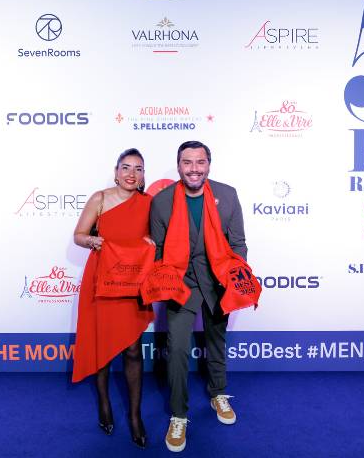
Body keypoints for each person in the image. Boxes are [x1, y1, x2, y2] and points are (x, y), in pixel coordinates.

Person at [149, 141, 249, 453]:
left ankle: (218, 393)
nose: (194, 169)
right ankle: (178, 415)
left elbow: (238, 243)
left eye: (200, 162)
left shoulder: (227, 195)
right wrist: (168, 281)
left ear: (208, 164)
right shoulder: (162, 201)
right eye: (187, 162)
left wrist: (234, 279)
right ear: (178, 165)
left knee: (216, 341)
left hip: (217, 280)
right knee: (178, 347)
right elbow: (159, 251)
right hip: (180, 283)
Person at [72, 148, 154, 449]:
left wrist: (152, 242)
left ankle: (135, 416)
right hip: (102, 280)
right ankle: (104, 403)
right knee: (103, 348)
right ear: (116, 172)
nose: (132, 174)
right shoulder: (100, 198)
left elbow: (160, 236)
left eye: (138, 169)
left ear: (143, 175)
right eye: (126, 167)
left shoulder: (149, 203)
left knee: (133, 349)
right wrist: (92, 240)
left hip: (133, 282)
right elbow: (78, 235)